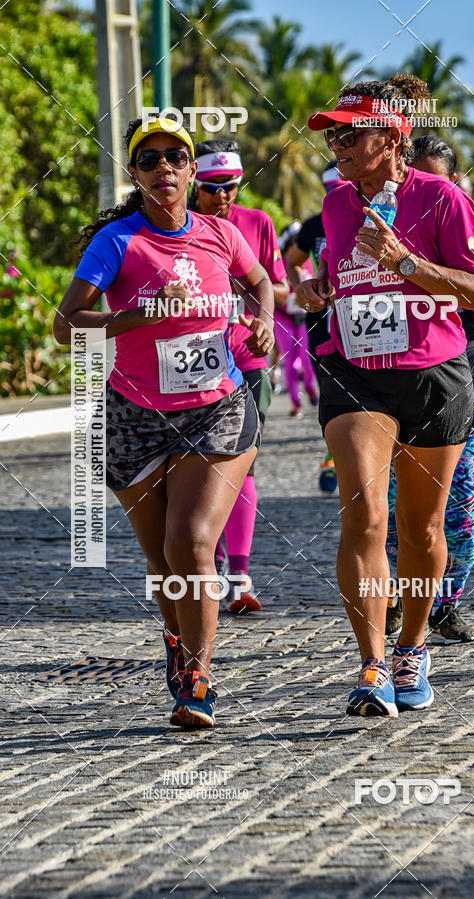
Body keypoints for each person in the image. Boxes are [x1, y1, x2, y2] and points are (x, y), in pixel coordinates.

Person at [53, 117, 274, 728]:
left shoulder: (220, 234)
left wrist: (260, 319)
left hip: (217, 409)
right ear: (135, 174)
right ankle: (177, 642)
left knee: (192, 544)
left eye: (176, 156)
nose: (164, 169)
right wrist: (138, 316)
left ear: (192, 167)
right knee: (161, 561)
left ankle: (198, 678)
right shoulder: (117, 243)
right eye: (148, 160)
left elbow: (258, 281)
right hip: (134, 416)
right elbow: (66, 326)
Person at [300, 76, 474, 716]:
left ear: (391, 136)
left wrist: (406, 262)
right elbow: (337, 272)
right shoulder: (335, 205)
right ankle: (371, 662)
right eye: (332, 136)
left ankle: (413, 646)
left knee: (421, 527)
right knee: (364, 515)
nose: (337, 145)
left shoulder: (440, 198)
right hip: (356, 373)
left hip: (434, 376)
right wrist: (317, 289)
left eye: (350, 133)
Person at [385, 138, 474, 644]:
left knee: (462, 506)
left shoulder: (471, 222)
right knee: (390, 508)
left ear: (452, 184)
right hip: (390, 383)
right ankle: (394, 601)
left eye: (436, 181)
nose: (423, 190)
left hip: (462, 382)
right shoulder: (377, 220)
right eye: (413, 178)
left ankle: (446, 601)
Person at [189, 139, 288, 612]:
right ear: (195, 184)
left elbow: (277, 283)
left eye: (230, 186)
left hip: (247, 359)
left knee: (242, 460)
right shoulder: (178, 227)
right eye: (212, 188)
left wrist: (263, 317)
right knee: (199, 468)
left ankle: (240, 575)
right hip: (191, 364)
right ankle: (208, 566)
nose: (222, 196)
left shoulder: (258, 223)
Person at [285, 161, 345, 491]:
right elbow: (292, 260)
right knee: (332, 391)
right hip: (321, 320)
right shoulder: (313, 225)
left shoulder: (376, 218)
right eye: (332, 191)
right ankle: (334, 457)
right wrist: (304, 286)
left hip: (363, 318)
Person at [276, 222, 319, 417]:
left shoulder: (306, 259)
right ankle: (296, 403)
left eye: (299, 241)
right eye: (293, 241)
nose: (297, 245)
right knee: (291, 361)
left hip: (304, 316)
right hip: (283, 317)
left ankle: (310, 387)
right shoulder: (277, 262)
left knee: (307, 359)